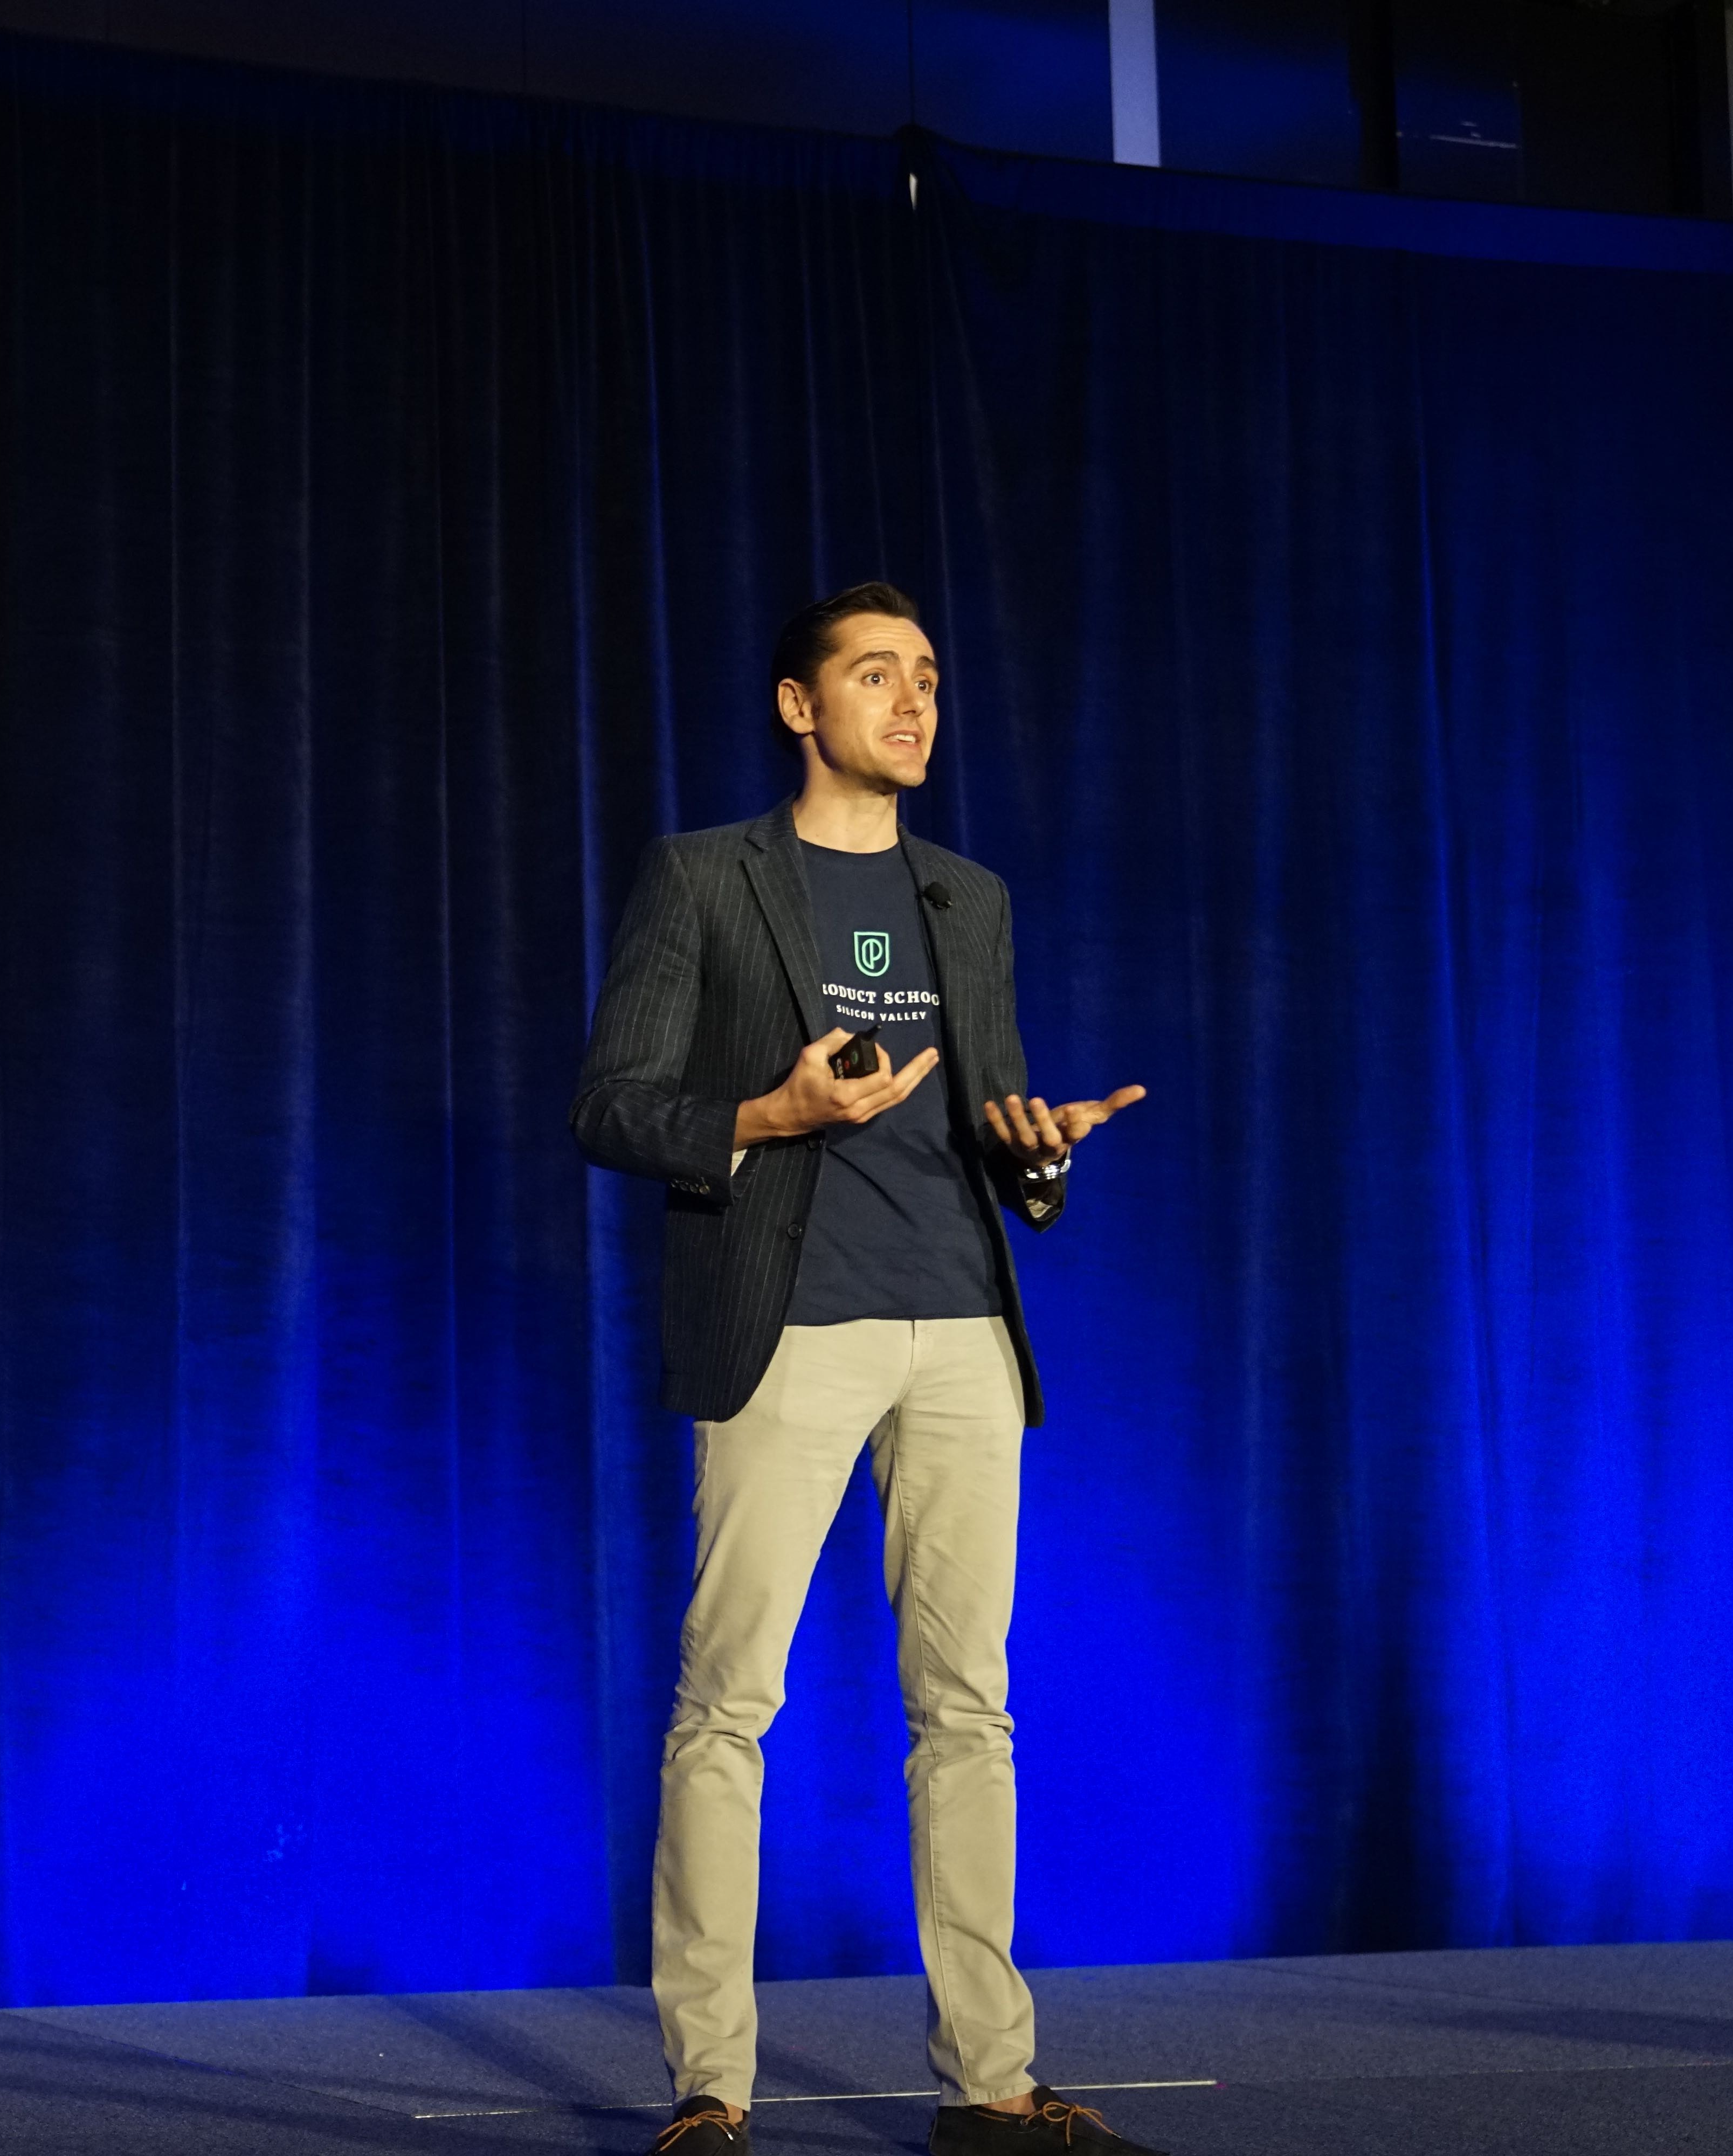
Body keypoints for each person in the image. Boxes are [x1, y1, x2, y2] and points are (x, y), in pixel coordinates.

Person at [570, 583, 1155, 2156]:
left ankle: (991, 2086)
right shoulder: (704, 881)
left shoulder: (969, 895)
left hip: (962, 1331)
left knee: (969, 1710)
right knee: (727, 1711)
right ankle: (711, 2091)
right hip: (787, 1330)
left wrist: (1042, 1159)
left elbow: (997, 1129)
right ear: (797, 706)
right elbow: (614, 1106)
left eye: (929, 681)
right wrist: (768, 1117)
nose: (912, 704)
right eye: (876, 676)